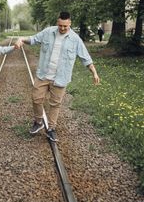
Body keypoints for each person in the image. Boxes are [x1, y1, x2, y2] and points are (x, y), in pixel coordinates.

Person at [16, 11, 100, 142]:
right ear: (57, 22)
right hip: (44, 74)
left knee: (55, 104)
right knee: (36, 98)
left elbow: (86, 58)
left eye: (65, 26)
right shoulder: (48, 32)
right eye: (60, 25)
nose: (62, 28)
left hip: (60, 78)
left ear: (70, 23)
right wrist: (21, 39)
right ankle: (38, 122)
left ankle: (51, 129)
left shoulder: (75, 39)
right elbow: (33, 39)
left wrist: (94, 72)